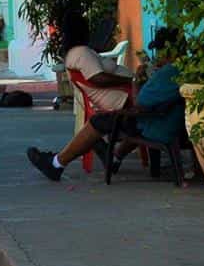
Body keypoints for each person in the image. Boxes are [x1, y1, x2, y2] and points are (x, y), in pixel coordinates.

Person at [25, 10, 133, 181]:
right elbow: (97, 77)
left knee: (97, 127)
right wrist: (130, 79)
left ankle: (111, 157)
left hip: (125, 99)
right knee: (98, 124)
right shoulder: (81, 53)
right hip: (122, 101)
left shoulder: (79, 52)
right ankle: (56, 163)